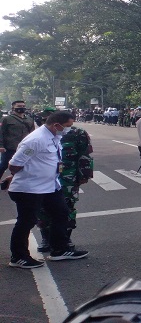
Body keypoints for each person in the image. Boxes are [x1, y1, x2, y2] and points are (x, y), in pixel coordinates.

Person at [2, 111, 89, 268]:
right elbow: (14, 164)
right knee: (26, 222)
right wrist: (15, 176)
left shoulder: (54, 136)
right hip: (29, 189)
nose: (69, 129)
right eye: (68, 126)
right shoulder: (36, 140)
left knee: (61, 213)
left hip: (50, 186)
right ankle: (19, 257)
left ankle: (59, 249)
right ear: (56, 125)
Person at [36, 119, 94, 252]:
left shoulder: (77, 133)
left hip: (68, 177)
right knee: (42, 208)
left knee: (68, 208)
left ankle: (65, 238)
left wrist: (84, 174)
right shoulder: (40, 134)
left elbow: (84, 154)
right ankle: (46, 238)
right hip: (45, 178)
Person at [0, 100, 36, 179]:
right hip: (10, 147)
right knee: (4, 165)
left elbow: (33, 134)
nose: (22, 108)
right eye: (19, 106)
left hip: (24, 148)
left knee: (23, 166)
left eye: (23, 106)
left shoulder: (29, 119)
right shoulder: (6, 119)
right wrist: (1, 146)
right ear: (13, 108)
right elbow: (1, 133)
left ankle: (14, 181)